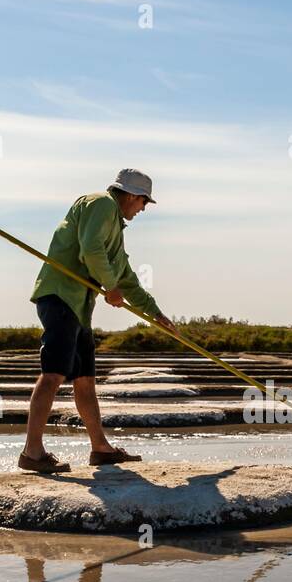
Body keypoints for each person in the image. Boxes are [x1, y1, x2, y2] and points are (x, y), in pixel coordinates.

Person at [19, 168, 179, 473]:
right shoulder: (101, 203)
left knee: (85, 379)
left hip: (79, 308)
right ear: (132, 195)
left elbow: (127, 280)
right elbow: (90, 247)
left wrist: (156, 314)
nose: (143, 209)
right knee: (53, 373)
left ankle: (100, 448)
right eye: (144, 203)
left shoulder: (116, 232)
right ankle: (32, 452)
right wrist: (110, 285)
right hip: (60, 297)